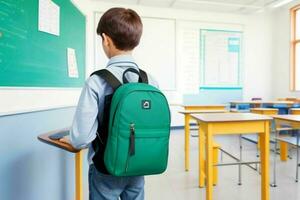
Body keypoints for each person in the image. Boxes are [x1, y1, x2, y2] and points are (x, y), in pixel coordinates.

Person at [69, 7, 158, 200]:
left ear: (106, 39)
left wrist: (72, 137)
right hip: (138, 165)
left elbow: (80, 139)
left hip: (105, 169)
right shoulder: (150, 81)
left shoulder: (97, 81)